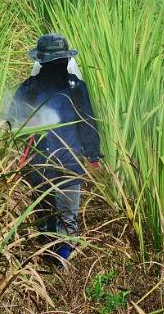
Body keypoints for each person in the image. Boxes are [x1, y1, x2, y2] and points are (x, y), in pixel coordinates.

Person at [8, 33, 101, 267]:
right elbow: (11, 121)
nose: (58, 65)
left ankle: (62, 266)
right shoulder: (29, 88)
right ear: (45, 63)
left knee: (67, 216)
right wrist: (26, 125)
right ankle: (47, 263)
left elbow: (87, 121)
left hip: (69, 163)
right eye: (54, 61)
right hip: (39, 165)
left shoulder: (75, 87)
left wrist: (93, 156)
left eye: (61, 60)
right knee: (44, 216)